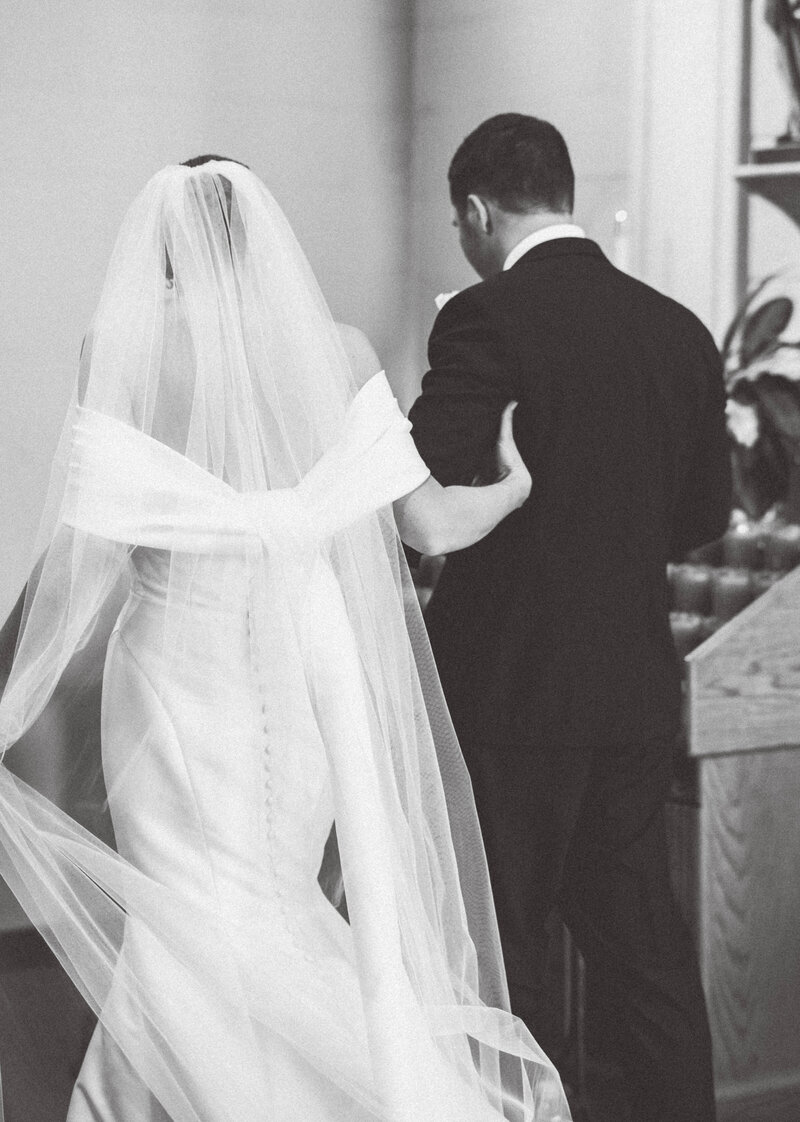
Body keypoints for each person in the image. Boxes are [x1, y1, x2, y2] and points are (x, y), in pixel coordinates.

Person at [0, 158, 571, 1122]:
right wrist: (512, 486)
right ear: (262, 238)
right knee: (275, 897)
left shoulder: (125, 344)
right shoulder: (338, 347)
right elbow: (426, 526)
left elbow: (84, 555)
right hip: (311, 669)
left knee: (181, 914)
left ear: (165, 247)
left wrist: (13, 688)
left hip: (175, 671)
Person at [408, 113, 732, 1122]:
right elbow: (704, 513)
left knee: (508, 949)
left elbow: (417, 486)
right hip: (633, 688)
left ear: (476, 210)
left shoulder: (482, 318)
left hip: (509, 688)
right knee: (640, 951)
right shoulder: (674, 325)